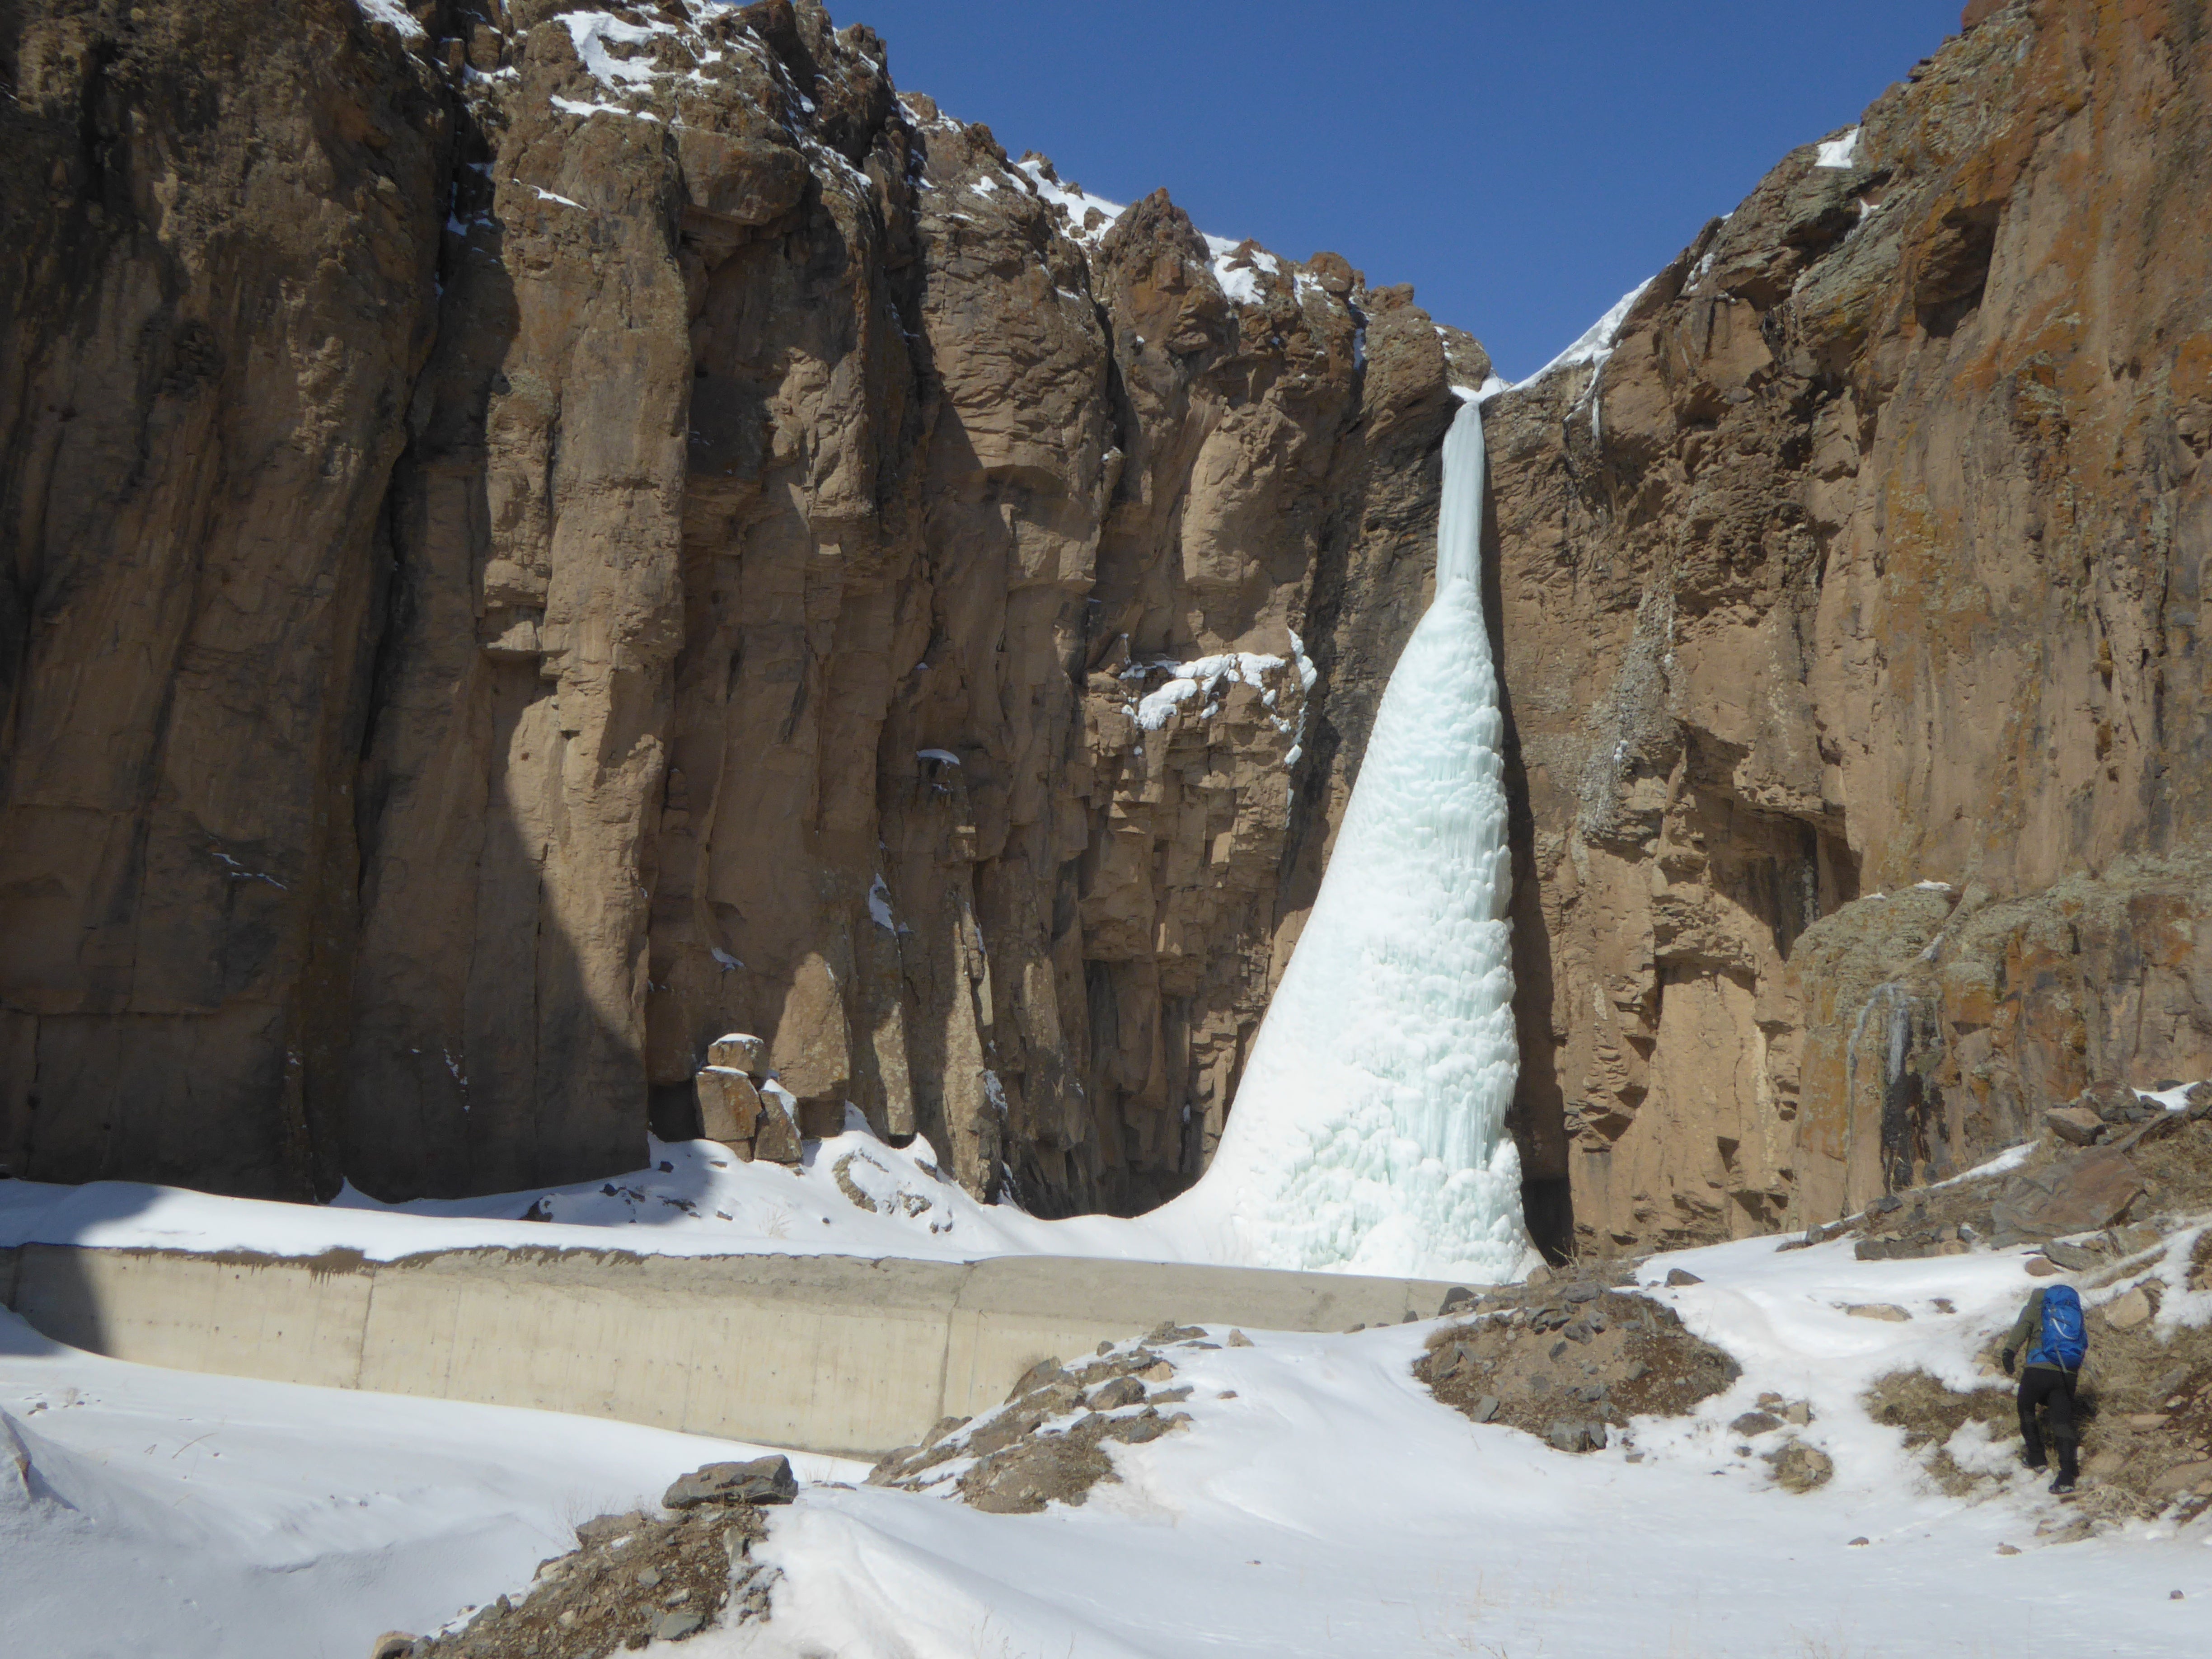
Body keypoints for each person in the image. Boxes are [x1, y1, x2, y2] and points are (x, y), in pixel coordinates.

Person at [2000, 1282, 2087, 1494]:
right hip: (2067, 1372)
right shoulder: (2072, 1308)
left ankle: (2036, 1457)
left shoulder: (2038, 1303)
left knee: (2025, 1405)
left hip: (2038, 1370)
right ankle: (2067, 1475)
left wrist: (2009, 1353)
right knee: (2062, 1423)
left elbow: (2023, 1327)